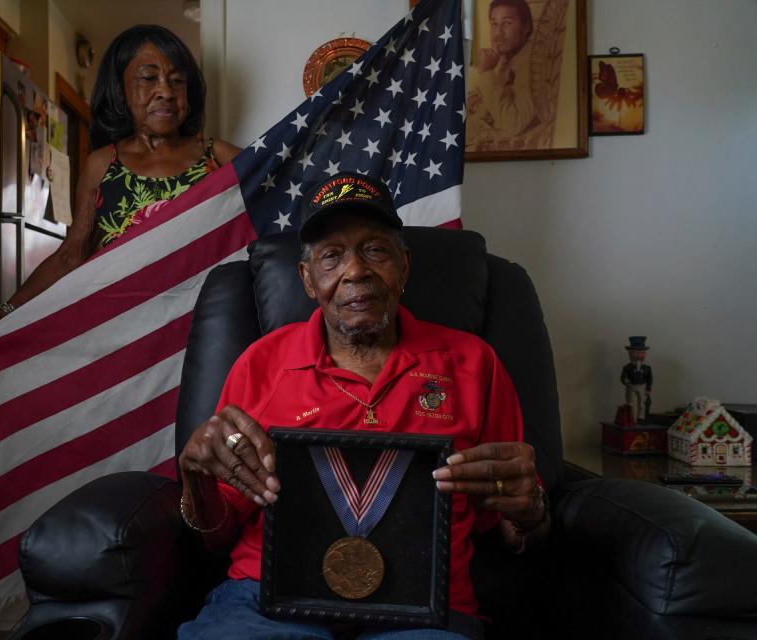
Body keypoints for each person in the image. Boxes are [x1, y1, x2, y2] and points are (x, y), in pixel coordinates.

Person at [176, 173, 550, 640]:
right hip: (267, 602)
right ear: (308, 280)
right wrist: (194, 477)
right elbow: (217, 537)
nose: (355, 271)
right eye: (332, 256)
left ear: (404, 266)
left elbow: (514, 530)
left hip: (426, 608)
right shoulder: (261, 362)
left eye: (375, 250)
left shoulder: (474, 363)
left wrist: (530, 508)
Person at [0, 25, 240, 358]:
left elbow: (278, 191)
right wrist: (4, 313)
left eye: (177, 81)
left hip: (200, 331)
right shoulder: (102, 164)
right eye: (148, 78)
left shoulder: (217, 156)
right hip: (124, 338)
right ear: (120, 91)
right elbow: (71, 255)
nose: (166, 91)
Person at [466, 0, 538, 142]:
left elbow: (513, 124)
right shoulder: (503, 61)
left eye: (507, 23)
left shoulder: (535, 66)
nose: (498, 32)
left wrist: (487, 73)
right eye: (494, 24)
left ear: (526, 27)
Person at [620, 336, 653, 422]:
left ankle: (640, 417)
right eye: (635, 352)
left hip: (642, 386)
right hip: (631, 387)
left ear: (644, 354)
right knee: (630, 404)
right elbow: (623, 377)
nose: (638, 355)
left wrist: (648, 389)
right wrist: (625, 381)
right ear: (630, 353)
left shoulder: (647, 368)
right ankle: (631, 418)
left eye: (641, 353)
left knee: (641, 404)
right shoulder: (627, 367)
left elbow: (649, 379)